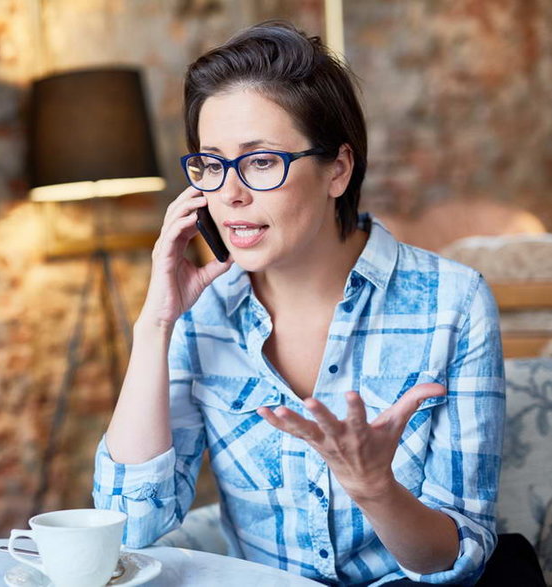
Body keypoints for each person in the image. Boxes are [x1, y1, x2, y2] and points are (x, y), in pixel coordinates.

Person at [93, 21, 510, 585]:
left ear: (337, 170)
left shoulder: (452, 303)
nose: (229, 193)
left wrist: (375, 489)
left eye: (261, 161)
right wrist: (156, 323)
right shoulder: (203, 314)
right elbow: (130, 529)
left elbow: (457, 559)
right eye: (212, 164)